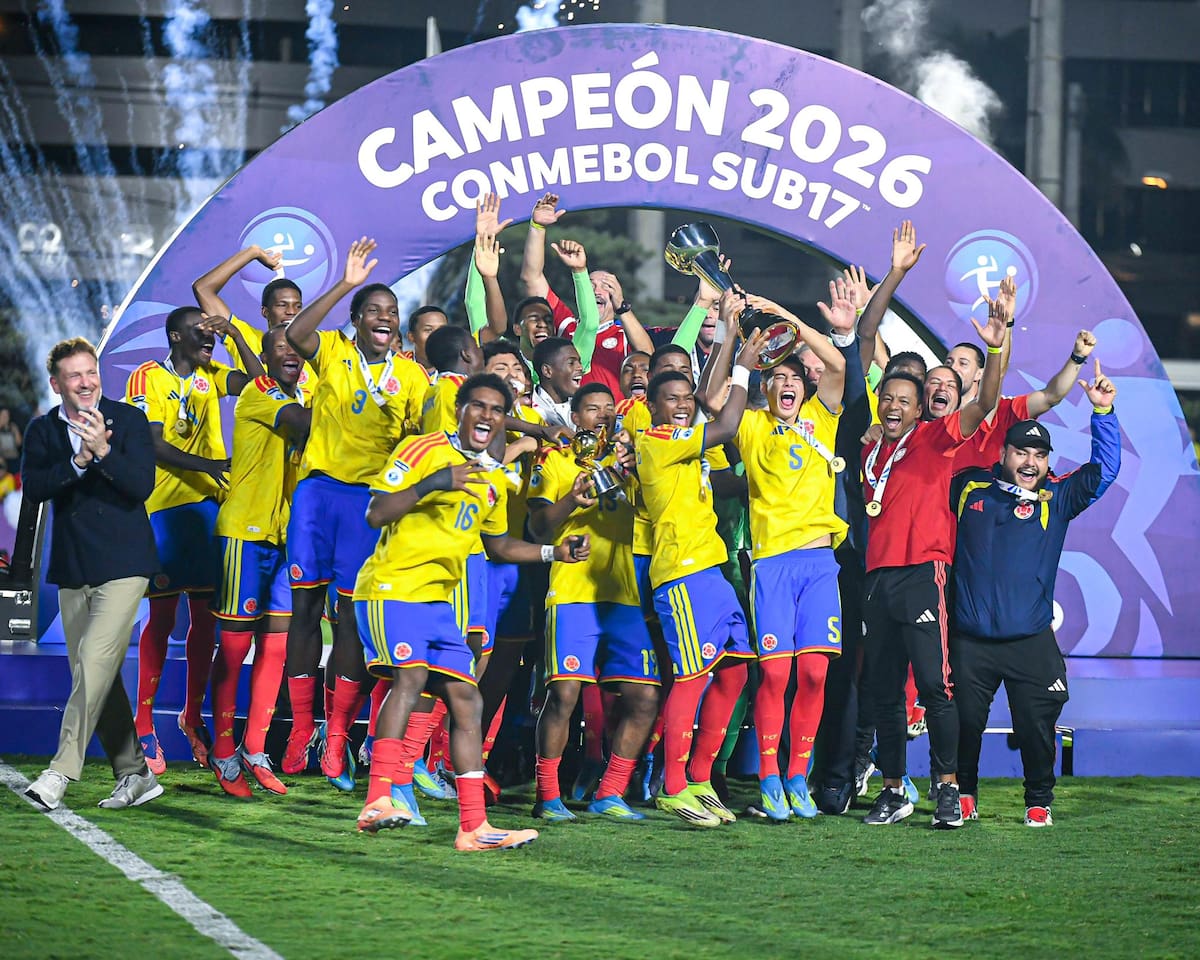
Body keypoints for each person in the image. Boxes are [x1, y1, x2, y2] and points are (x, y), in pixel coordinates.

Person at [352, 373, 589, 849]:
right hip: (391, 589)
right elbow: (376, 512)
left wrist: (554, 554)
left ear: (504, 419)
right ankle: (378, 797)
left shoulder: (495, 480)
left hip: (438, 602)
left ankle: (473, 827)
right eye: (477, 406)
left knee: (467, 700)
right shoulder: (422, 450)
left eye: (496, 410)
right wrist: (438, 481)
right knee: (411, 681)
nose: (486, 416)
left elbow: (498, 545)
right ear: (459, 409)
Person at [858, 221, 1007, 829]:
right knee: (882, 693)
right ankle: (895, 788)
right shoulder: (869, 446)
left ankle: (946, 786)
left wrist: (996, 348)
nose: (893, 406)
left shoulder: (936, 440)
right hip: (877, 579)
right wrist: (894, 274)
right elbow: (865, 335)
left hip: (925, 573)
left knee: (935, 685)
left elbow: (985, 403)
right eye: (886, 399)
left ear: (921, 409)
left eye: (904, 400)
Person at [281, 237, 429, 790]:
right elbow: (295, 336)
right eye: (373, 311)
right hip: (319, 495)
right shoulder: (335, 355)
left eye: (391, 312)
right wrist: (345, 280)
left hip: (367, 506)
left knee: (348, 619)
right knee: (304, 610)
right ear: (356, 321)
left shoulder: (411, 376)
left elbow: (419, 439)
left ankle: (337, 738)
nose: (384, 318)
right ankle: (302, 729)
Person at [951, 364, 1120, 828]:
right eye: (1021, 452)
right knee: (963, 722)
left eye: (1039, 456)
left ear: (1048, 462)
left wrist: (1103, 412)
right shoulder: (968, 487)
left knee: (1036, 726)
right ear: (1003, 453)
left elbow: (1104, 472)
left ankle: (1038, 801)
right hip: (970, 640)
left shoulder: (1058, 497)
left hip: (1029, 641)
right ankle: (963, 793)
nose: (1030, 463)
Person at [633, 294, 770, 827]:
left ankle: (699, 778)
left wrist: (732, 330)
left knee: (735, 671)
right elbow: (726, 423)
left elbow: (724, 452)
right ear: (654, 407)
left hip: (710, 570)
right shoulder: (656, 442)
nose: (683, 405)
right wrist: (742, 369)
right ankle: (672, 787)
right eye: (672, 399)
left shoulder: (686, 445)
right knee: (691, 678)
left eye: (687, 397)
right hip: (681, 574)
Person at [723, 287, 850, 820]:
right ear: (765, 387)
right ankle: (771, 777)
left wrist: (787, 317)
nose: (787, 384)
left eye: (795, 378)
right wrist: (739, 354)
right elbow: (715, 407)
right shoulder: (751, 427)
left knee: (816, 674)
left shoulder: (823, 420)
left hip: (820, 565)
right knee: (775, 676)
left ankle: (799, 774)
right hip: (771, 565)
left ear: (806, 387)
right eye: (777, 378)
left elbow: (840, 362)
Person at [22, 338, 163, 812]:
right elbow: (36, 489)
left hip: (125, 566)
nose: (86, 382)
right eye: (75, 375)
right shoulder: (43, 430)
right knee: (95, 677)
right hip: (74, 567)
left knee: (95, 668)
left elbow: (141, 485)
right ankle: (136, 773)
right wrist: (78, 461)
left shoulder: (128, 420)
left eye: (91, 372)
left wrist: (102, 448)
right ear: (57, 383)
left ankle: (60, 772)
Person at [125, 308, 263, 773]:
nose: (209, 341)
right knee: (162, 616)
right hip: (163, 509)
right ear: (175, 336)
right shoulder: (147, 377)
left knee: (205, 620)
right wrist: (213, 467)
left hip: (209, 511)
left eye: (211, 334)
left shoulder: (211, 374)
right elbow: (152, 444)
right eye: (201, 334)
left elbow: (260, 383)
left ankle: (191, 715)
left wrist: (235, 335)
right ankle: (143, 724)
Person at [527, 382, 661, 822]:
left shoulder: (630, 462)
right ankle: (547, 796)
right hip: (572, 592)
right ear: (575, 416)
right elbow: (538, 529)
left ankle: (610, 793)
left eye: (609, 409)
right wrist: (572, 499)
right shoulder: (555, 460)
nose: (602, 416)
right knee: (564, 694)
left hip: (622, 594)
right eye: (591, 409)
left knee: (643, 697)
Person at [207, 327, 312, 798]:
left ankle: (254, 748)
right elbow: (306, 424)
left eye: (297, 349)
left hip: (284, 539)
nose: (290, 355)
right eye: (280, 350)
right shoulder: (260, 391)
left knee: (274, 650)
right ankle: (224, 751)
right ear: (265, 359)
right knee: (233, 651)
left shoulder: (303, 393)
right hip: (244, 536)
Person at [519, 193, 652, 396]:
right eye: (590, 285)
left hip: (613, 422)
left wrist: (622, 307)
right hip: (566, 418)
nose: (597, 291)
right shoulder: (566, 325)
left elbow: (648, 356)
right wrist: (537, 228)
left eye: (606, 286)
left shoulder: (625, 334)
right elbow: (531, 278)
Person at [191, 244, 317, 390]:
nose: (291, 311)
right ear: (265, 312)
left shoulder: (316, 348)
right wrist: (253, 252)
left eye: (298, 306)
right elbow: (203, 288)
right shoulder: (245, 336)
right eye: (282, 305)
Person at [0, 406, 22, 473]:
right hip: (3, 459)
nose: (5, 417)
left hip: (14, 458)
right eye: (3, 415)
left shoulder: (13, 426)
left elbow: (19, 443)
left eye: (7, 415)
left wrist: (15, 431)